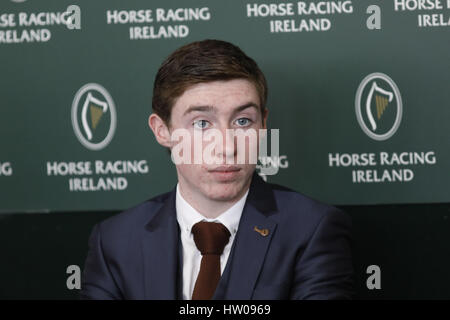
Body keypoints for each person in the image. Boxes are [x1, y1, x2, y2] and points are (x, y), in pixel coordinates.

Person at [80, 39, 354, 300]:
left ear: (263, 125)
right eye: (202, 123)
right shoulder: (115, 241)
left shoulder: (312, 230)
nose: (226, 147)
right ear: (162, 130)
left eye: (244, 121)